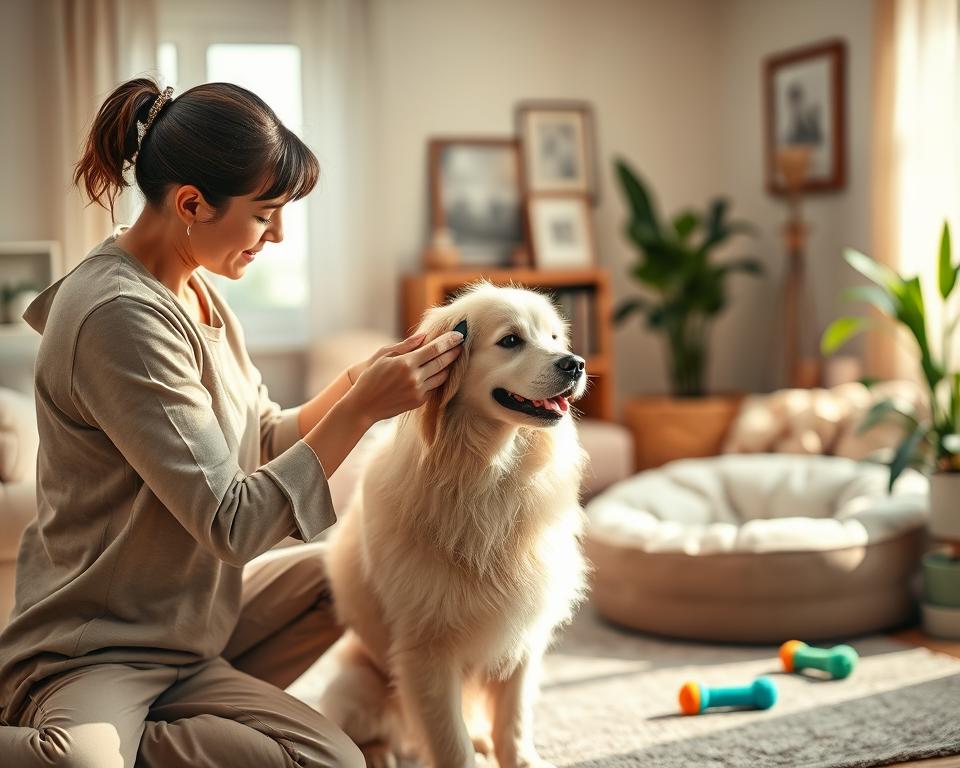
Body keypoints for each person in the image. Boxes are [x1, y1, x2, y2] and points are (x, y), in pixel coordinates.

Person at [0, 77, 464, 767]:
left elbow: (260, 435)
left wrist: (355, 384)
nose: (277, 235)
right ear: (192, 203)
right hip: (97, 645)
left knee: (352, 581)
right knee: (77, 762)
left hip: (189, 631)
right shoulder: (119, 316)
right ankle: (94, 735)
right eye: (266, 213)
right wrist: (363, 410)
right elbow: (232, 522)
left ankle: (139, 731)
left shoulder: (195, 288)